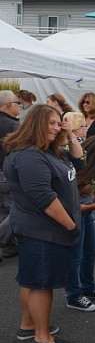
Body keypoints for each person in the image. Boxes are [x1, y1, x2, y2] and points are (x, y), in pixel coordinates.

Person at [4, 104, 83, 343]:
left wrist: (68, 134)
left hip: (41, 229)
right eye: (51, 122)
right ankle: (42, 337)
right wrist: (71, 226)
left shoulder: (47, 150)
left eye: (58, 122)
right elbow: (44, 198)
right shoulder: (30, 156)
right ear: (35, 123)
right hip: (41, 230)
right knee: (41, 284)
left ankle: (29, 326)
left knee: (31, 280)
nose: (56, 126)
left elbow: (78, 160)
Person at [65, 135, 95, 312]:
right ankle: (74, 295)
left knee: (91, 252)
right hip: (74, 217)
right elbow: (75, 207)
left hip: (86, 216)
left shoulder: (94, 170)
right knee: (75, 257)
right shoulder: (77, 171)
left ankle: (88, 287)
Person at [0, 91, 21, 260]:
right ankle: (5, 244)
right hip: (7, 173)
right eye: (17, 102)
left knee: (4, 211)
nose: (19, 105)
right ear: (8, 105)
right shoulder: (12, 125)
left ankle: (9, 248)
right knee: (15, 211)